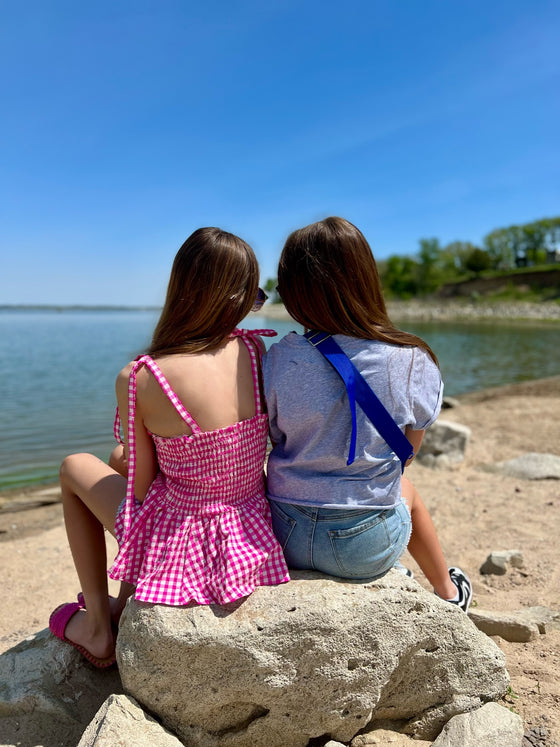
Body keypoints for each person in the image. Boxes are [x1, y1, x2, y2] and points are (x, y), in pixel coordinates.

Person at [49, 227, 290, 667]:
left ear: (181, 289)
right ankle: (121, 601)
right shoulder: (257, 353)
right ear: (238, 298)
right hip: (249, 523)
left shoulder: (144, 376)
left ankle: (99, 628)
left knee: (74, 466)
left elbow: (142, 488)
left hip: (185, 539)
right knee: (117, 460)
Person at [262, 217, 472, 612]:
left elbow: (274, 435)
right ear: (364, 279)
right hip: (363, 545)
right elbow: (407, 454)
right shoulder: (411, 359)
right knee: (406, 490)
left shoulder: (278, 357)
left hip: (282, 532)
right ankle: (448, 591)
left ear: (294, 290)